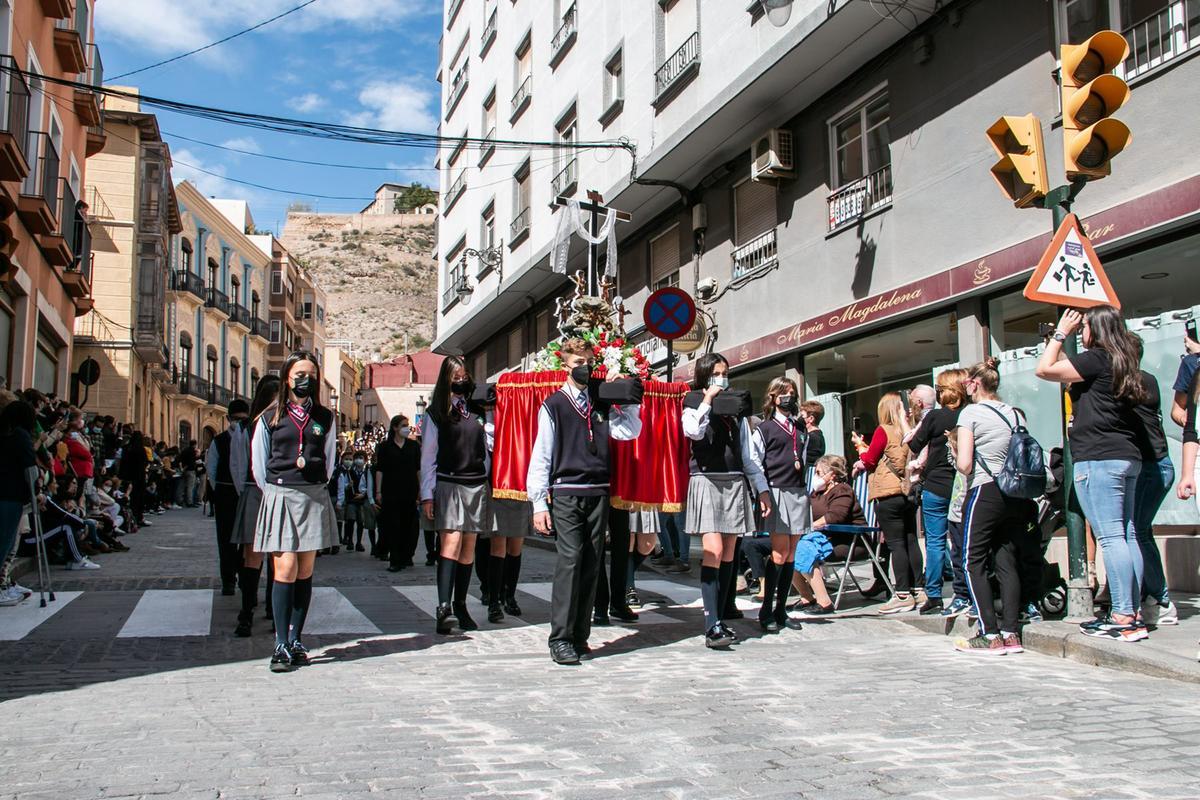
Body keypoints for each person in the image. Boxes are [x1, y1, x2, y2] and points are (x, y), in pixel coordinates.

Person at [527, 337, 643, 665]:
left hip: (599, 489)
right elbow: (542, 454)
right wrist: (539, 502)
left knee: (593, 562)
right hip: (566, 490)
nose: (584, 368)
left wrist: (628, 400)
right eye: (578, 363)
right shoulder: (554, 404)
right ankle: (560, 638)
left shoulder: (601, 399)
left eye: (588, 362)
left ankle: (580, 636)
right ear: (565, 366)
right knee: (570, 560)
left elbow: (628, 432)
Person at [1036, 306, 1148, 642]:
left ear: (1095, 330)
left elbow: (1044, 369)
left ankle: (1124, 615)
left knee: (1111, 537)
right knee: (1126, 535)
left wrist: (1059, 334)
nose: (1080, 331)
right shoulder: (1124, 361)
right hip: (1126, 456)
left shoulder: (1097, 358)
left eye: (1084, 326)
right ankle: (1134, 611)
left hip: (1099, 457)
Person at [252, 351, 339, 672]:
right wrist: (277, 491)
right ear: (287, 377)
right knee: (284, 569)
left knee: (304, 571)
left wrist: (314, 484)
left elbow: (329, 460)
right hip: (281, 493)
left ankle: (296, 638)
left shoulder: (325, 417)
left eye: (311, 375)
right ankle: (280, 643)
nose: (306, 380)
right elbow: (258, 464)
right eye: (300, 374)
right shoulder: (269, 417)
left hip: (313, 494)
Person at [683, 353, 771, 649]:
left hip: (734, 480)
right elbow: (692, 431)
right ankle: (711, 625)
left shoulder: (737, 409)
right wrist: (708, 399)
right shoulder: (692, 400)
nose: (723, 377)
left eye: (725, 372)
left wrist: (761, 489)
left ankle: (721, 617)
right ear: (705, 375)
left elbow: (748, 455)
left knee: (730, 551)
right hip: (706, 480)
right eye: (717, 373)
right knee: (714, 549)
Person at [953, 358, 1038, 655]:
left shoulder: (970, 413)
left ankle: (989, 634)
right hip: (1015, 493)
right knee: (1006, 561)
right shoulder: (1015, 414)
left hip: (985, 490)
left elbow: (964, 464)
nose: (966, 387)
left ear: (975, 383)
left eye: (967, 382)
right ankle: (1011, 632)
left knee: (971, 560)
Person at [420, 356, 492, 635]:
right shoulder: (435, 413)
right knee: (451, 543)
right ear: (447, 378)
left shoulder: (477, 410)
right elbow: (428, 456)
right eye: (457, 376)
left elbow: (487, 448)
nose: (462, 380)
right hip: (448, 483)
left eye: (465, 375)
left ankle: (461, 604)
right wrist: (428, 495)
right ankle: (443, 607)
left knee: (469, 546)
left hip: (475, 483)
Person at [906, 368, 968, 614]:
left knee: (935, 540)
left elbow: (913, 445)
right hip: (963, 484)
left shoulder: (935, 418)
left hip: (936, 485)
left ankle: (934, 594)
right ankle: (966, 591)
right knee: (964, 541)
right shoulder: (968, 414)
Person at [749, 376, 808, 633]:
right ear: (773, 397)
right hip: (776, 489)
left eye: (792, 393)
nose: (789, 397)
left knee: (792, 553)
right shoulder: (764, 428)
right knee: (779, 552)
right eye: (784, 393)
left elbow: (805, 457)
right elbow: (754, 461)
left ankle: (781, 609)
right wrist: (762, 492)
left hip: (797, 490)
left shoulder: (799, 427)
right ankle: (766, 611)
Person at [853, 392, 921, 613]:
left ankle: (902, 593)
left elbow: (871, 459)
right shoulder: (910, 431)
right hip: (907, 492)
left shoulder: (884, 430)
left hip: (887, 493)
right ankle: (918, 588)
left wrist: (861, 449)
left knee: (896, 543)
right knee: (911, 540)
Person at [1129, 338, 1177, 627]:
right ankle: (1152, 596)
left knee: (1138, 530)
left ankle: (1160, 599)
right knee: (1137, 530)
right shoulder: (1147, 379)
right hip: (1153, 465)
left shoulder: (1139, 381)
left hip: (1152, 466)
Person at [230, 375, 280, 637]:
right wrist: (249, 491)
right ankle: (247, 611)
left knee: (275, 557)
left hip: (264, 493)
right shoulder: (247, 428)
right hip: (255, 492)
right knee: (254, 556)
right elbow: (238, 466)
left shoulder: (278, 425)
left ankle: (271, 609)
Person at [794, 454, 866, 614]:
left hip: (849, 541)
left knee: (803, 548)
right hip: (822, 539)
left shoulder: (842, 490)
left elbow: (836, 516)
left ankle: (824, 601)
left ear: (832, 475)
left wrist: (810, 526)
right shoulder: (817, 493)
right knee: (787, 549)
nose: (815, 477)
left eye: (819, 473)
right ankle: (807, 597)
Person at [207, 399, 250, 596]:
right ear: (228, 419)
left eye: (242, 419)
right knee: (225, 540)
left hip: (245, 495)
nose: (238, 422)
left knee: (246, 541)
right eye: (235, 419)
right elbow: (212, 470)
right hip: (226, 495)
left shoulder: (251, 438)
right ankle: (228, 581)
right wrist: (222, 491)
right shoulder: (219, 440)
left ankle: (244, 577)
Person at [0, 401, 38, 604]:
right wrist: (36, 491)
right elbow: (29, 467)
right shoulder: (21, 436)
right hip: (11, 496)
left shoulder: (5, 434)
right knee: (5, 543)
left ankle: (3, 584)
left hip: (5, 493)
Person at [373, 414, 420, 571]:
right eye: (403, 425)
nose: (407, 428)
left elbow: (418, 470)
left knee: (409, 526)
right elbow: (380, 470)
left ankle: (407, 556)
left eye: (408, 425)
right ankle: (395, 559)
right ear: (395, 427)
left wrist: (420, 490)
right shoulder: (385, 447)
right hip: (391, 491)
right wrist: (378, 491)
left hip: (410, 491)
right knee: (393, 526)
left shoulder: (413, 447)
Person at [337, 449, 372, 552]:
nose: (358, 460)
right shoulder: (349, 471)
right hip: (352, 500)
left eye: (361, 458)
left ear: (365, 460)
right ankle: (350, 540)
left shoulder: (367, 472)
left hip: (361, 500)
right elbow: (344, 486)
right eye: (356, 458)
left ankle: (359, 542)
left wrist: (363, 495)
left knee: (360, 522)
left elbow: (369, 485)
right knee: (350, 520)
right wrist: (349, 486)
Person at [799, 400, 826, 466]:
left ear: (811, 418)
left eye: (802, 416)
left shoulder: (814, 437)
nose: (800, 418)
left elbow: (810, 462)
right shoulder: (813, 435)